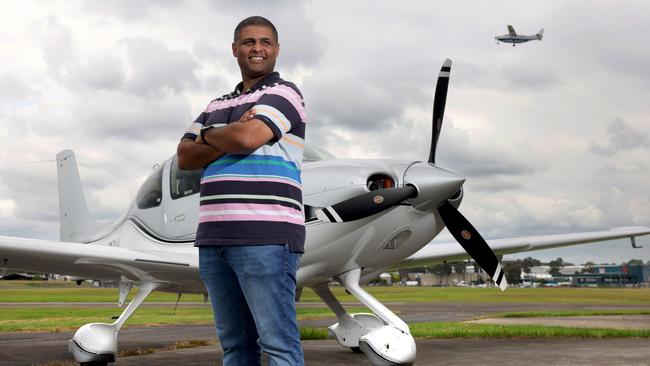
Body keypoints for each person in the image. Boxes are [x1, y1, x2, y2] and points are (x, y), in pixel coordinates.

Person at [176, 16, 306, 366]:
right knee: (235, 346)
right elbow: (185, 157)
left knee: (279, 344)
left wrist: (209, 135)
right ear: (235, 49)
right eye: (249, 42)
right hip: (214, 240)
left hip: (265, 237)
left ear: (276, 49)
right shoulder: (214, 104)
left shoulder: (285, 94)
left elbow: (248, 138)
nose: (257, 49)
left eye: (265, 42)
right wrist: (228, 133)